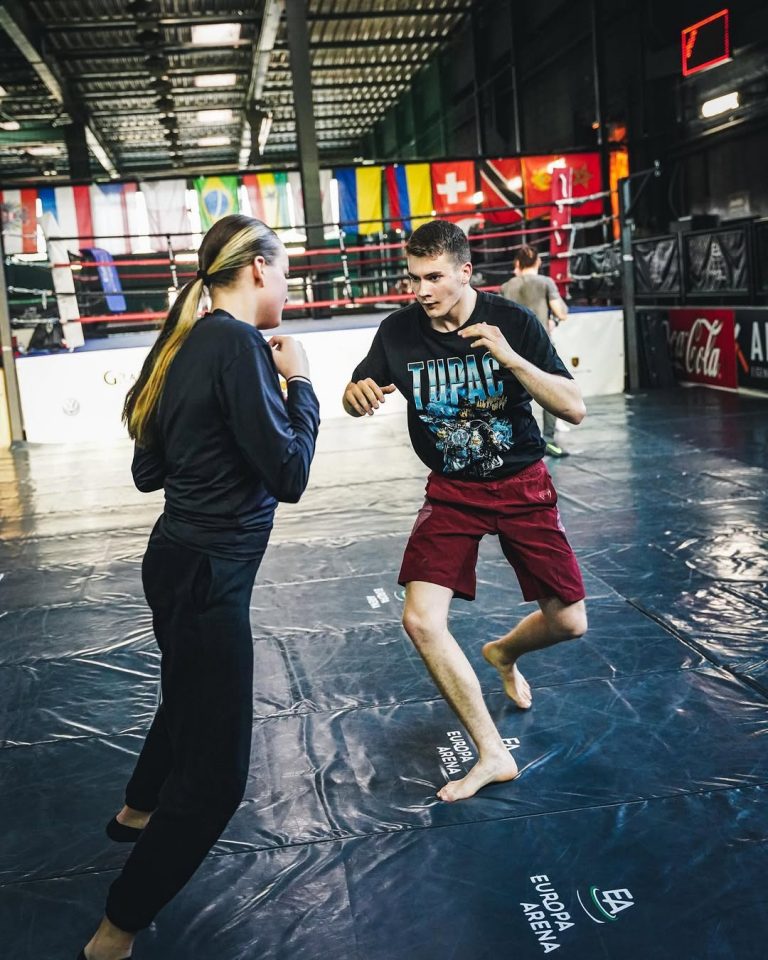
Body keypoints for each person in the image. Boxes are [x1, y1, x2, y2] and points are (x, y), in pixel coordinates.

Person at [78, 214, 320, 960]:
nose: (286, 284)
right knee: (216, 781)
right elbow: (290, 474)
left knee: (186, 692)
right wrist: (302, 384)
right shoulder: (238, 344)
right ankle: (115, 932)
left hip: (173, 561)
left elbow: (148, 469)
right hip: (211, 579)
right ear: (255, 270)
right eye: (282, 271)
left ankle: (135, 811)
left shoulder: (187, 342)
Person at [342, 219, 587, 804]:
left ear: (464, 272)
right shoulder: (399, 332)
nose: (421, 290)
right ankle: (492, 751)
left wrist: (512, 361)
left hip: (521, 480)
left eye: (433, 277)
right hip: (452, 489)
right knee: (421, 619)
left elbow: (573, 408)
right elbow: (360, 392)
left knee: (570, 622)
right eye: (413, 278)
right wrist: (354, 397)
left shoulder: (512, 322)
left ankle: (503, 652)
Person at [500, 244, 570, 457]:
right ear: (538, 262)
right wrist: (554, 316)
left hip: (512, 349)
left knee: (510, 396)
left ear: (518, 264)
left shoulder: (506, 287)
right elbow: (561, 312)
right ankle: (548, 440)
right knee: (551, 392)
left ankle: (513, 442)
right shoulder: (545, 282)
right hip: (540, 347)